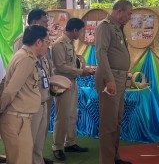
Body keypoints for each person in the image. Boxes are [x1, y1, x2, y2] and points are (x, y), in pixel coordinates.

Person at [0, 25, 50, 164]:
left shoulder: (24, 55)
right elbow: (10, 90)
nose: (48, 45)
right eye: (47, 41)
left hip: (20, 119)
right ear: (38, 42)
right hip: (17, 120)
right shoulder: (26, 59)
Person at [13, 9, 54, 164]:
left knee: (39, 137)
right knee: (28, 140)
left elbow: (45, 65)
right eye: (45, 21)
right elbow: (21, 70)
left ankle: (37, 159)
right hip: (30, 98)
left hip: (43, 94)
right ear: (35, 21)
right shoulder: (23, 40)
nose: (47, 24)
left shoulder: (42, 39)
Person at [95, 0, 133, 164]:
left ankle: (114, 157)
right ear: (119, 11)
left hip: (120, 77)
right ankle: (107, 161)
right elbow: (101, 53)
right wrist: (110, 80)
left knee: (116, 121)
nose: (130, 17)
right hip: (110, 77)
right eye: (129, 13)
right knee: (109, 123)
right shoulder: (105, 26)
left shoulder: (118, 27)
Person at [51, 18, 93, 161]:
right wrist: (81, 72)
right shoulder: (59, 44)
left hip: (72, 82)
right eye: (81, 31)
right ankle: (57, 147)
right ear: (75, 30)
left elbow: (71, 64)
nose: (82, 34)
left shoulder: (69, 43)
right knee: (62, 116)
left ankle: (69, 142)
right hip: (62, 85)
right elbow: (61, 67)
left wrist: (81, 69)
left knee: (72, 115)